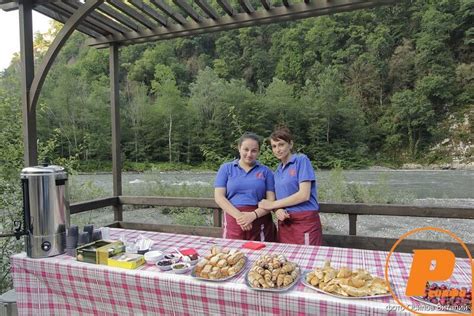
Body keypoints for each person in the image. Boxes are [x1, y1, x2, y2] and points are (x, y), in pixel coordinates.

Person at [258, 126, 322, 246]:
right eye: (274, 146)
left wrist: (272, 205)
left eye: (281, 144)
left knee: (308, 259)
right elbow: (277, 199)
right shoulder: (277, 172)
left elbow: (304, 195)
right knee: (286, 260)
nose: (278, 149)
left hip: (305, 221)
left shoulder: (301, 161)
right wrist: (277, 210)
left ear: (290, 144)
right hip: (285, 222)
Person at [214, 132, 276, 241]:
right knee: (233, 254)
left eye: (254, 150)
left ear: (258, 152)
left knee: (261, 255)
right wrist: (240, 217)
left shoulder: (266, 171)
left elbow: (271, 200)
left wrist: (253, 215)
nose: (249, 154)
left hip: (259, 219)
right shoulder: (226, 169)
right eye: (246, 149)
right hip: (233, 218)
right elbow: (219, 197)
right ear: (239, 148)